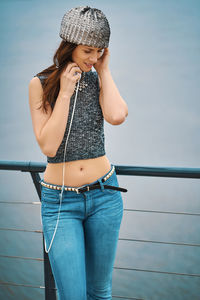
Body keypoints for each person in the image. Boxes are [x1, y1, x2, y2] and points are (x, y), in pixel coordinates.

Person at [29, 6, 128, 300]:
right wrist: (65, 91)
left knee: (100, 293)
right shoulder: (41, 84)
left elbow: (117, 115)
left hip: (105, 196)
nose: (93, 58)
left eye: (99, 51)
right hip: (60, 202)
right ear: (69, 45)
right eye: (87, 51)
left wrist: (105, 71)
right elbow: (49, 146)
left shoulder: (98, 76)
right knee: (72, 295)